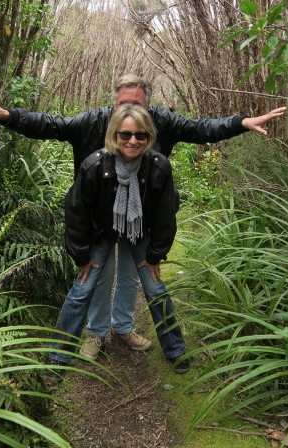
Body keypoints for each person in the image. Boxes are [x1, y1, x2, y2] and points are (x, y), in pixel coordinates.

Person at [0, 75, 286, 360]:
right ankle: (95, 333)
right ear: (113, 102)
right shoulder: (94, 122)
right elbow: (51, 124)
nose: (131, 115)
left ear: (148, 105)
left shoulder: (161, 122)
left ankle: (123, 328)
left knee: (134, 276)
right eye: (124, 103)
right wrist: (8, 116)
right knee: (98, 277)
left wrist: (241, 122)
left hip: (141, 220)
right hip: (99, 219)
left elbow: (202, 128)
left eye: (138, 104)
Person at [49, 104, 189, 376]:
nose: (133, 141)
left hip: (140, 230)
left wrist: (155, 255)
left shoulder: (158, 166)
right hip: (101, 230)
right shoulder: (95, 164)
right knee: (83, 286)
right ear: (114, 135)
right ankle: (59, 356)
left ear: (149, 138)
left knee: (155, 286)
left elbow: (164, 215)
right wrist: (81, 256)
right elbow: (76, 211)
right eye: (125, 135)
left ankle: (175, 349)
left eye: (141, 135)